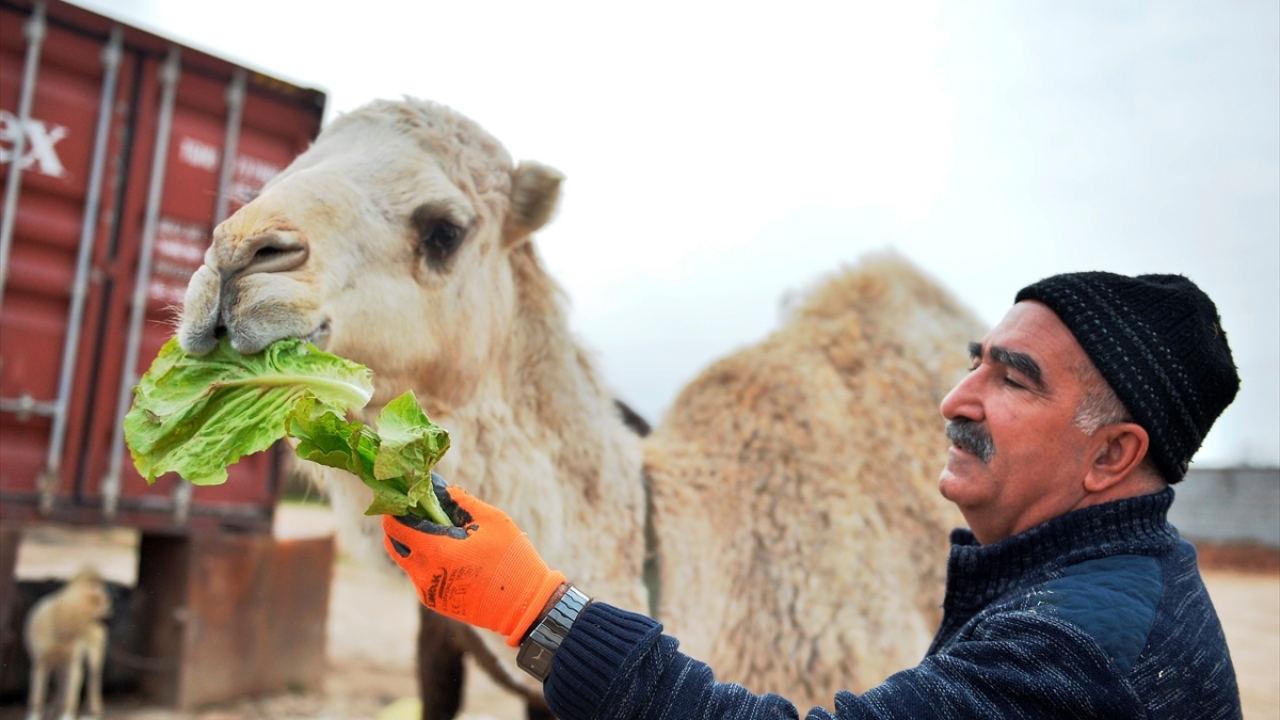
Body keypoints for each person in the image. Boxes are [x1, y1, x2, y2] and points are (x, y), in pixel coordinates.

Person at [381, 271, 1244, 719]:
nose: (955, 399)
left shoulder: (1076, 644)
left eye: (1012, 380)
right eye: (973, 362)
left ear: (1113, 454)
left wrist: (537, 610)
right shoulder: (1090, 579)